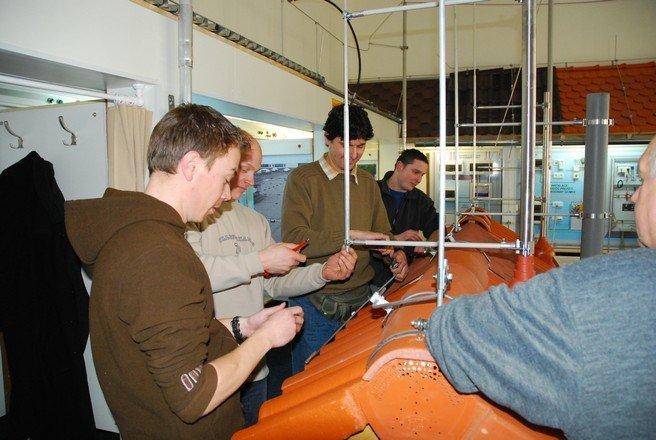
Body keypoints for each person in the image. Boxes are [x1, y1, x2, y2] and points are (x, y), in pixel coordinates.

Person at [65, 104, 304, 439]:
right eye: (225, 178)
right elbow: (194, 395)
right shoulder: (157, 254)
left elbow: (174, 336)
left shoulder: (139, 235)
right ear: (191, 166)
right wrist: (266, 338)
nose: (226, 193)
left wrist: (245, 326)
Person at [424, 135, 656, 439]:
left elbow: (458, 335)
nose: (635, 196)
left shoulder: (602, 295)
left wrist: (438, 318)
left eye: (643, 180)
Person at [187, 134, 357, 425]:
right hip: (211, 366)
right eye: (245, 170)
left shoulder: (256, 221)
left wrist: (322, 273)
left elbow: (271, 284)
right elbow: (196, 276)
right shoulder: (194, 217)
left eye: (256, 171)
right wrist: (262, 260)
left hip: (256, 366)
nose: (251, 181)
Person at [282, 104, 409, 374]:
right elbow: (294, 239)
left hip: (361, 303)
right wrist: (348, 236)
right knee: (310, 382)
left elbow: (382, 234)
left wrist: (394, 253)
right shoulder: (303, 179)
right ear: (327, 138)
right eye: (345, 144)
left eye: (360, 146)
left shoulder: (367, 182)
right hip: (315, 303)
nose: (353, 154)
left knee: (350, 379)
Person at [372, 148, 438, 287]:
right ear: (399, 166)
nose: (419, 179)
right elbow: (360, 232)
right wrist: (396, 239)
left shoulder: (421, 201)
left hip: (404, 277)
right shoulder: (372, 191)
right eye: (415, 172)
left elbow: (436, 227)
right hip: (370, 276)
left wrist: (429, 244)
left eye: (422, 175)